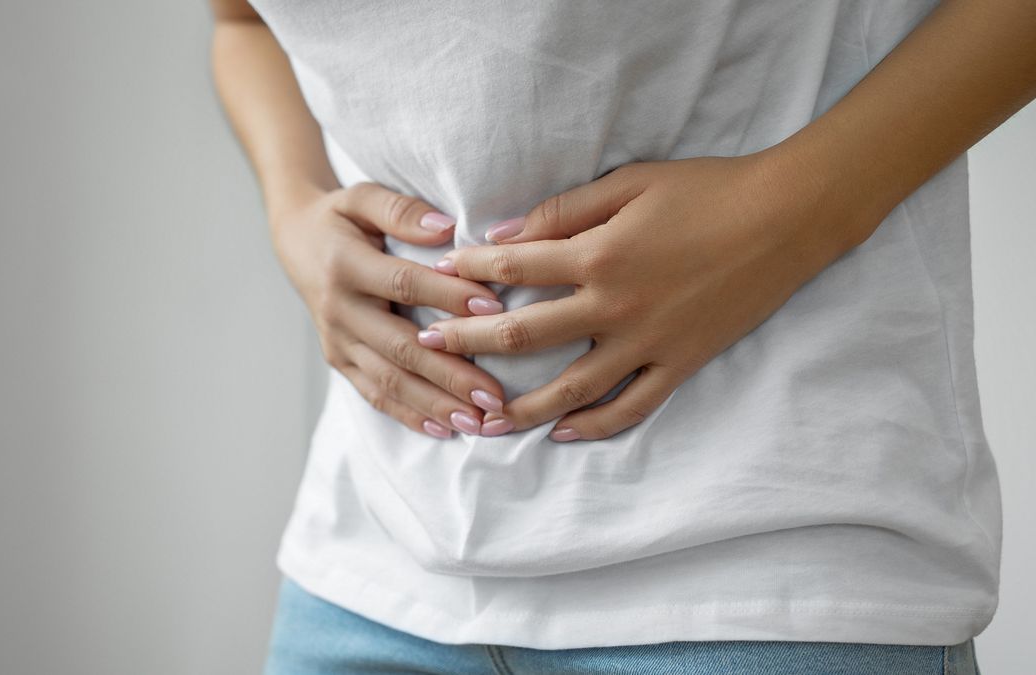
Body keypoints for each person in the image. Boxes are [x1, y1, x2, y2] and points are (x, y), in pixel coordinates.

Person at [210, 0, 1035, 672]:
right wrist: (294, 210)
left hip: (767, 572)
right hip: (368, 572)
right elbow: (240, 22)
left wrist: (790, 215)